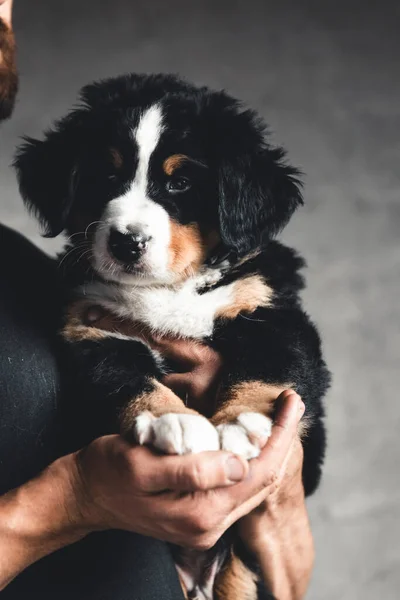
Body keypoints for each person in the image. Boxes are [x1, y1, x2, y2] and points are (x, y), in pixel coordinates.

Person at [0, 3, 315, 598]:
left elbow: (293, 581)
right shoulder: (75, 302)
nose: (131, 216)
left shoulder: (23, 275)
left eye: (178, 182)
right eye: (110, 179)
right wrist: (74, 499)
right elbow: (101, 372)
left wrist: (272, 474)